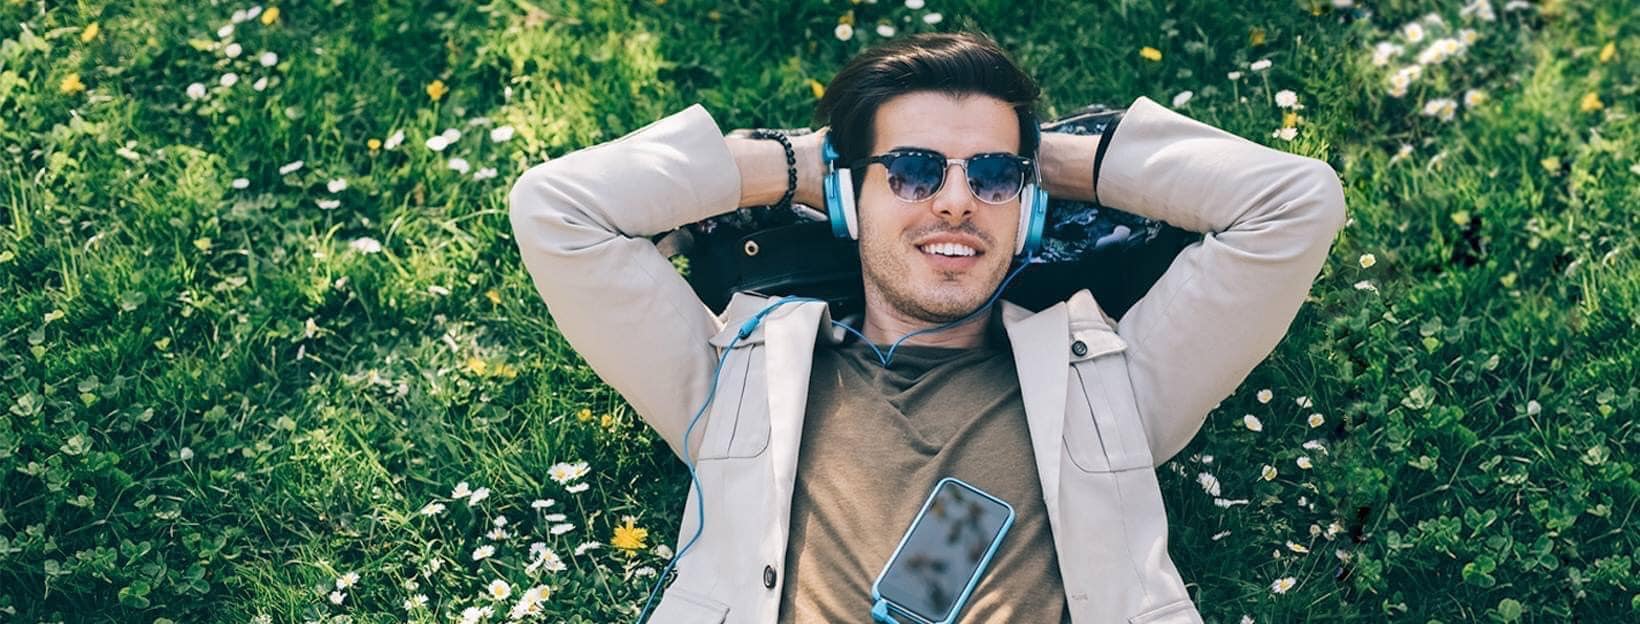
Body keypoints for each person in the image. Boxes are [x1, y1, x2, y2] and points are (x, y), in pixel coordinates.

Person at [509, 31, 1345, 624]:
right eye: (911, 172)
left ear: (1029, 207)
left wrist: (1052, 161)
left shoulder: (1112, 386)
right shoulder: (732, 379)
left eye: (992, 177)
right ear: (849, 200)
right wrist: (798, 165)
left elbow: (1294, 204)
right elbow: (557, 210)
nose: (955, 201)